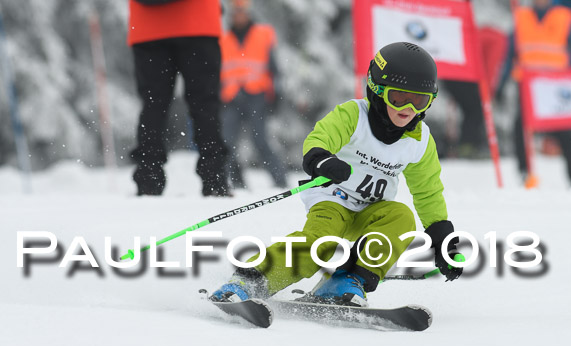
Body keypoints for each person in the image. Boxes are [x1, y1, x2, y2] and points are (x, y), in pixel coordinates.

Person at [210, 42, 463, 307]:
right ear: (377, 90)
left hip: (371, 210)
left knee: (401, 218)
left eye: (419, 99)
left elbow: (428, 190)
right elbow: (320, 138)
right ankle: (250, 281)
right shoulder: (354, 115)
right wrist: (323, 160)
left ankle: (345, 280)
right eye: (398, 97)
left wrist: (441, 236)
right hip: (333, 199)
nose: (408, 107)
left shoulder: (420, 141)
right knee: (321, 243)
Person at [127, 0, 230, 196]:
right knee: (204, 105)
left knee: (153, 105)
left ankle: (149, 180)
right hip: (198, 22)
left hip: (147, 27)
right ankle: (214, 179)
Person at [496, 0, 571, 187]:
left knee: (567, 133)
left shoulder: (564, 16)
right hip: (528, 87)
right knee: (521, 130)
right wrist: (501, 84)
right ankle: (524, 174)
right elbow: (510, 53)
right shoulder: (521, 16)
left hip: (556, 87)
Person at [219, 0, 288, 190]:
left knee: (260, 141)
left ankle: (280, 180)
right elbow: (217, 72)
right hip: (231, 97)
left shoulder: (263, 35)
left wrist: (277, 95)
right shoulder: (223, 39)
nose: (239, 15)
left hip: (256, 96)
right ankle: (237, 182)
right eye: (235, 12)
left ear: (248, 13)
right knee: (227, 142)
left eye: (242, 11)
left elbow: (274, 69)